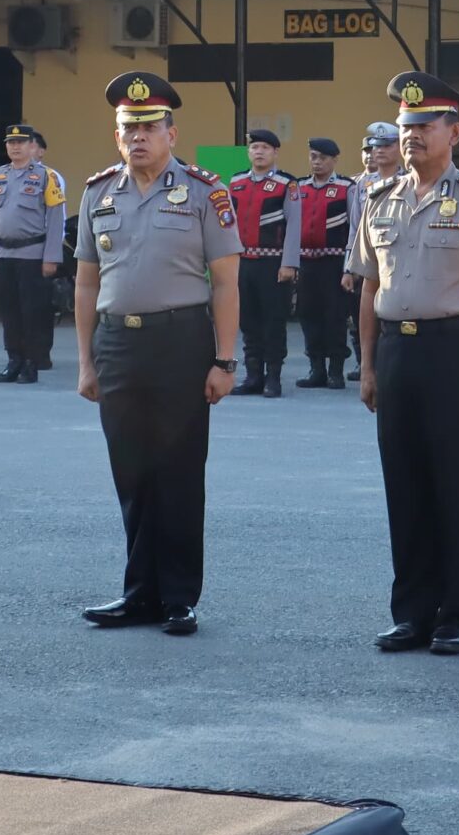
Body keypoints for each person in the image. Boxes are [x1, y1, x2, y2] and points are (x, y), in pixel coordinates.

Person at [350, 72, 459, 655]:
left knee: (454, 482)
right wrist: (368, 366)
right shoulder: (378, 197)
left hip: (455, 349)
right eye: (405, 127)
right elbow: (368, 290)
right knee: (404, 483)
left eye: (424, 125)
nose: (413, 136)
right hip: (397, 349)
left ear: (454, 132)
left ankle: (453, 612)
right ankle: (411, 611)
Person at [74, 73, 241, 636]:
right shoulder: (98, 193)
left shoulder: (203, 191)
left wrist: (224, 360)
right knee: (132, 471)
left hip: (180, 342)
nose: (138, 137)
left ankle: (178, 596)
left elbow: (225, 281)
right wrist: (86, 360)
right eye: (128, 129)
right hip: (119, 342)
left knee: (177, 470)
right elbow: (85, 285)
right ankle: (138, 592)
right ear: (116, 135)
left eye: (149, 127)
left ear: (172, 131)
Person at [0, 124, 68, 383]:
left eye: (21, 142)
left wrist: (52, 257)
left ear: (32, 146)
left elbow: (56, 219)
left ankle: (31, 363)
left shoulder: (46, 176)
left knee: (32, 312)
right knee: (9, 312)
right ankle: (14, 360)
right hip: (3, 252)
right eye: (11, 142)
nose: (15, 147)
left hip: (33, 253)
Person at [230, 128, 296, 397]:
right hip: (243, 262)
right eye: (255, 147)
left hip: (273, 264)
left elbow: (294, 226)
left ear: (275, 152)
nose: (259, 152)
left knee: (273, 320)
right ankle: (253, 376)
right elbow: (227, 225)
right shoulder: (236, 182)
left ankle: (273, 377)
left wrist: (289, 263)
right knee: (248, 321)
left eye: (265, 148)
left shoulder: (286, 184)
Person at [288, 136, 357, 387]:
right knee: (308, 315)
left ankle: (335, 371)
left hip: (334, 263)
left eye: (323, 158)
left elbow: (355, 228)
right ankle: (316, 369)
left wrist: (349, 268)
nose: (317, 162)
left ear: (335, 160)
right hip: (307, 263)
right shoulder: (299, 187)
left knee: (335, 316)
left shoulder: (346, 187)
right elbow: (291, 228)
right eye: (313, 157)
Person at [343, 122, 402, 385]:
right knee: (363, 315)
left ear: (399, 149)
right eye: (376, 146)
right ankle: (366, 364)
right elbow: (355, 228)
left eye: (387, 145)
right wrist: (349, 268)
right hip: (369, 259)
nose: (379, 151)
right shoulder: (362, 184)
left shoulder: (407, 181)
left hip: (397, 260)